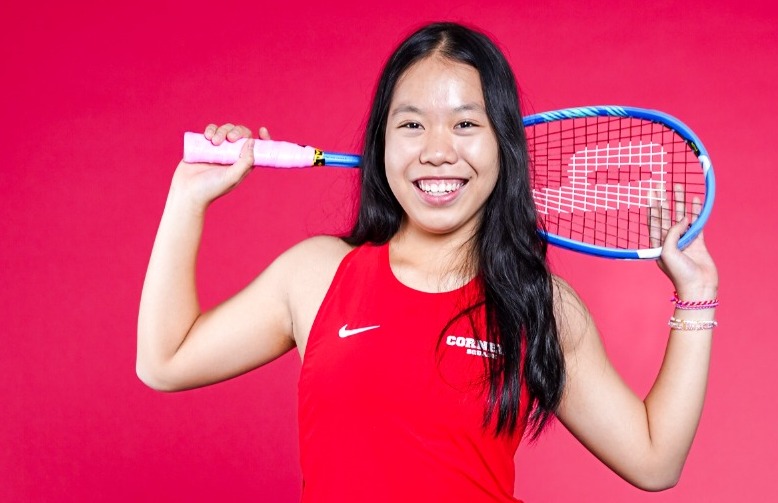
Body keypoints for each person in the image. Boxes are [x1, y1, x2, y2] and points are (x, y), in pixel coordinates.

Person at [137, 22, 718, 502]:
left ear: (501, 147)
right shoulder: (315, 275)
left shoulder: (540, 306)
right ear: (381, 145)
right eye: (411, 124)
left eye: (466, 124)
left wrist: (695, 293)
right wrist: (187, 199)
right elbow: (165, 362)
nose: (437, 150)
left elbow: (654, 460)